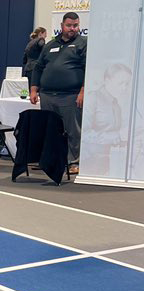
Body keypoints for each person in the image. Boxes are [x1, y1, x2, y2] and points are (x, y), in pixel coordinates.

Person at [29, 12, 86, 174]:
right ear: (62, 26)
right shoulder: (50, 45)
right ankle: (49, 159)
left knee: (72, 131)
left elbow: (89, 69)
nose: (72, 29)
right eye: (69, 25)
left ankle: (73, 162)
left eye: (75, 25)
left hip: (71, 96)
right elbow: (38, 67)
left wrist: (83, 91)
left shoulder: (83, 44)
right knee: (49, 129)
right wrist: (34, 89)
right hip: (47, 95)